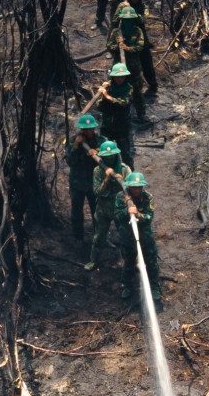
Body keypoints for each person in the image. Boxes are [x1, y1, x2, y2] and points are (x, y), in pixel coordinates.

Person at [119, 169, 163, 308]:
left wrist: (138, 214)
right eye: (134, 187)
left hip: (145, 235)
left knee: (151, 261)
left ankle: (155, 287)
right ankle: (127, 286)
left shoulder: (148, 197)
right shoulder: (121, 196)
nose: (137, 190)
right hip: (128, 235)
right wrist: (127, 210)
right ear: (129, 186)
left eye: (139, 187)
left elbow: (149, 217)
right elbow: (117, 216)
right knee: (129, 261)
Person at [85, 141, 131, 273]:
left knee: (125, 236)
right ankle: (94, 260)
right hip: (103, 209)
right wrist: (106, 179)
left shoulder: (124, 169)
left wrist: (123, 181)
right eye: (107, 156)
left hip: (120, 209)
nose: (110, 158)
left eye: (112, 156)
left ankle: (128, 263)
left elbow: (132, 190)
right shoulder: (98, 171)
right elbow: (97, 192)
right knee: (99, 236)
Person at [65, 111, 104, 243]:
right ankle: (78, 237)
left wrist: (97, 152)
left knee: (97, 211)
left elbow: (109, 155)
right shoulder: (73, 141)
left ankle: (98, 237)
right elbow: (70, 162)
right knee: (77, 211)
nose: (89, 131)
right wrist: (76, 146)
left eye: (91, 129)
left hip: (94, 182)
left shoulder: (101, 140)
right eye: (86, 129)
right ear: (81, 129)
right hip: (78, 182)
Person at [112, 2, 158, 101]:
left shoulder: (143, 7)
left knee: (146, 64)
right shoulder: (122, 5)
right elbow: (115, 20)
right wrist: (121, 8)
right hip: (123, 46)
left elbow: (142, 20)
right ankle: (124, 96)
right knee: (121, 73)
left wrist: (133, 13)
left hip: (139, 39)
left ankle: (152, 85)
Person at [90, 62, 136, 159]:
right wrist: (103, 94)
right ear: (113, 77)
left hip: (122, 125)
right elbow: (99, 106)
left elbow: (123, 103)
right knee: (104, 150)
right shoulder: (109, 87)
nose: (120, 79)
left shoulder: (128, 88)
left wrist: (107, 96)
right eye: (118, 77)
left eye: (123, 77)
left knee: (125, 153)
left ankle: (128, 171)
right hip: (108, 125)